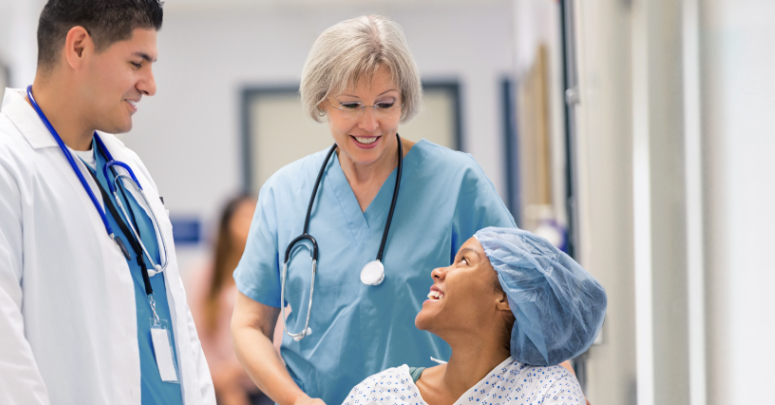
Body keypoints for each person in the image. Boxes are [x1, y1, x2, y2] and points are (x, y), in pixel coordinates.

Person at [0, 1, 214, 404]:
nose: (149, 84)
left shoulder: (127, 169)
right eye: (137, 63)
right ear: (78, 47)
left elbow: (178, 317)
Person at [231, 15, 530, 405]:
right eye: (351, 104)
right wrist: (295, 401)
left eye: (385, 104)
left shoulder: (456, 182)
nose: (369, 123)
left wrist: (560, 383)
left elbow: (526, 295)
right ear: (322, 100)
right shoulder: (284, 193)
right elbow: (249, 324)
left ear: (404, 100)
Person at [341, 227, 607, 405]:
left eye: (464, 261)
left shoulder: (547, 393)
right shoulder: (378, 394)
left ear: (506, 296)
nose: (437, 272)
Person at [185, 195, 279, 405]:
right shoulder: (203, 276)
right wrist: (223, 382)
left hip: (263, 383)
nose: (253, 222)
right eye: (245, 216)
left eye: (257, 216)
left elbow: (279, 337)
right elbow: (195, 334)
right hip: (212, 383)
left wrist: (234, 374)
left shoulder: (274, 273)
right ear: (227, 225)